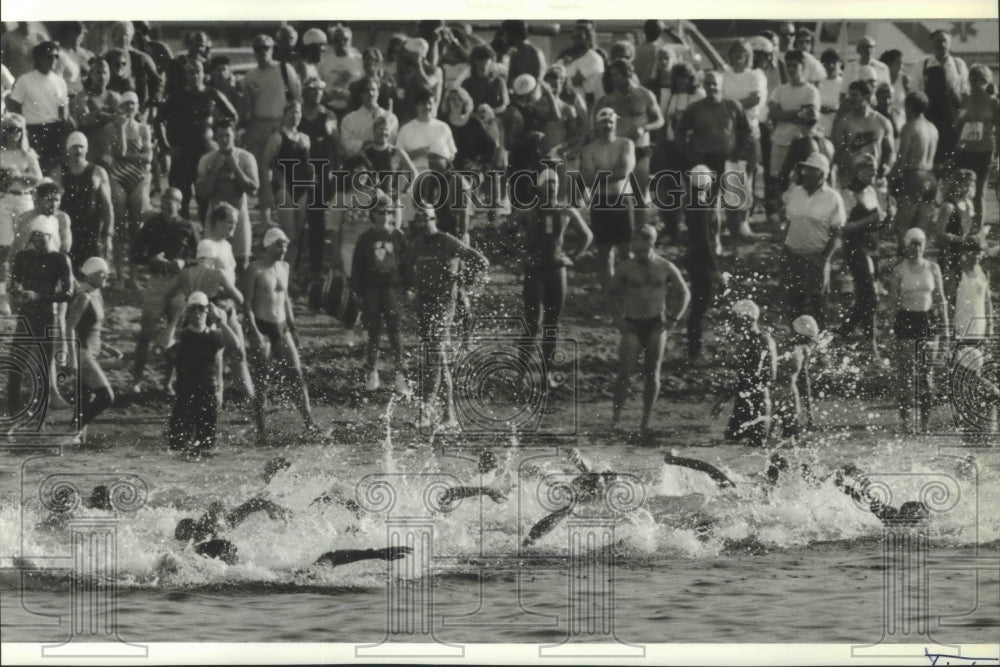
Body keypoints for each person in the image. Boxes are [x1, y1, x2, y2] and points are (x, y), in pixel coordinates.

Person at [404, 206, 489, 428]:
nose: (423, 224)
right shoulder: (418, 243)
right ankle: (449, 415)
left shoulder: (447, 241)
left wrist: (459, 278)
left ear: (434, 218)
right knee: (438, 359)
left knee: (433, 356)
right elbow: (406, 268)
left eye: (427, 218)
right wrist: (410, 289)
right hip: (424, 305)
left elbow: (481, 261)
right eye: (419, 220)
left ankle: (425, 410)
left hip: (444, 306)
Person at [609, 224, 690, 433]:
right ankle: (615, 418)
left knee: (653, 372)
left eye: (637, 240)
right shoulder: (625, 267)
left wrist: (673, 319)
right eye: (632, 239)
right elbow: (610, 294)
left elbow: (684, 293)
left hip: (655, 323)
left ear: (649, 242)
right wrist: (618, 319)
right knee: (624, 372)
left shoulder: (665, 267)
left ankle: (645, 420)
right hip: (632, 323)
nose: (632, 244)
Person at [518, 169, 592, 387]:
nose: (551, 187)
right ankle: (520, 372)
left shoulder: (565, 210)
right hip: (535, 272)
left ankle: (547, 373)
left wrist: (572, 256)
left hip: (557, 271)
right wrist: (522, 256)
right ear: (539, 187)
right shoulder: (529, 210)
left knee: (552, 324)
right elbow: (503, 231)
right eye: (547, 184)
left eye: (554, 184)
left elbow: (587, 235)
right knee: (533, 323)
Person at [244, 227, 318, 434]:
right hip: (262, 326)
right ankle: (261, 430)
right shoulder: (255, 270)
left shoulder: (284, 267)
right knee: (262, 379)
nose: (284, 249)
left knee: (296, 373)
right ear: (269, 245)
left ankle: (309, 423)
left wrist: (293, 328)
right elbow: (247, 304)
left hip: (282, 326)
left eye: (286, 244)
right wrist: (254, 333)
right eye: (280, 244)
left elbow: (285, 298)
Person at [128, 187, 201, 392]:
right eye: (165, 202)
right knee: (146, 333)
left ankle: (167, 382)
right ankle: (136, 380)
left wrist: (183, 261)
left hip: (179, 282)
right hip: (157, 281)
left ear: (180, 204)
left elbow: (201, 257)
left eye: (173, 202)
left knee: (174, 333)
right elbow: (135, 254)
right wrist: (151, 260)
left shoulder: (187, 226)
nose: (168, 205)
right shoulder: (151, 224)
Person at [5, 217, 74, 426]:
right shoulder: (23, 257)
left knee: (45, 363)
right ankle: (13, 408)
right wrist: (16, 289)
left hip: (47, 314)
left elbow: (68, 293)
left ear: (50, 236)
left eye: (41, 237)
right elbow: (13, 282)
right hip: (27, 314)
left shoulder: (60, 259)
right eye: (34, 236)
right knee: (16, 362)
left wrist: (40, 296)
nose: (37, 241)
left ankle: (41, 410)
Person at [676, 70, 758, 242]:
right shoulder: (695, 108)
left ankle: (736, 241)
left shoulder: (733, 106)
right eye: (708, 84)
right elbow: (680, 132)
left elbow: (747, 132)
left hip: (731, 160)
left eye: (715, 83)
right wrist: (691, 155)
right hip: (705, 161)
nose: (712, 87)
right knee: (707, 205)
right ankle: (713, 241)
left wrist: (740, 153)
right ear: (704, 86)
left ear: (721, 85)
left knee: (735, 204)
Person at [160, 57, 237, 220]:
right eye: (190, 72)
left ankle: (206, 239)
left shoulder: (212, 94)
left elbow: (232, 116)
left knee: (206, 201)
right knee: (181, 200)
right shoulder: (176, 96)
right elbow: (158, 121)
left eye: (197, 72)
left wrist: (221, 137)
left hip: (206, 152)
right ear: (185, 75)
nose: (194, 76)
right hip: (182, 154)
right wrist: (166, 147)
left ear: (204, 74)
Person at [887, 227, 948, 431]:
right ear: (907, 246)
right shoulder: (899, 270)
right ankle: (905, 421)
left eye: (920, 244)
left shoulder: (933, 268)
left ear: (924, 246)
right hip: (906, 320)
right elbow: (893, 301)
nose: (917, 248)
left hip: (927, 320)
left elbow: (940, 299)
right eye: (913, 244)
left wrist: (945, 328)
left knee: (925, 374)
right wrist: (889, 327)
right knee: (905, 375)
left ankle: (925, 422)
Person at [166, 291, 239, 458]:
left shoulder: (214, 335)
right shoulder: (182, 335)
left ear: (207, 311)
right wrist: (176, 318)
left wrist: (219, 319)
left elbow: (234, 344)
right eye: (193, 309)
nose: (197, 313)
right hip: (185, 393)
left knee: (206, 447)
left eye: (201, 309)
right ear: (188, 311)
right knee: (177, 446)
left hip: (208, 393)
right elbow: (164, 343)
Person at [351, 190, 410, 395]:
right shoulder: (366, 238)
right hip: (372, 290)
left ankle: (400, 375)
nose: (384, 215)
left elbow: (407, 264)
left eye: (387, 212)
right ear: (373, 214)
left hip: (393, 289)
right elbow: (357, 267)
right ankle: (372, 371)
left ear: (392, 214)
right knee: (374, 333)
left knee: (395, 334)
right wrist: (358, 292)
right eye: (379, 212)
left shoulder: (398, 236)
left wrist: (409, 287)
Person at [781, 152, 845, 328]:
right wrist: (784, 250)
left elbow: (837, 232)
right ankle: (796, 339)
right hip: (793, 254)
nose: (806, 173)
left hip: (816, 256)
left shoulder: (832, 198)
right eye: (805, 169)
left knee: (818, 304)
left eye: (812, 170)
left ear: (822, 174)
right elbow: (789, 223)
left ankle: (820, 345)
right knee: (794, 302)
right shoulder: (796, 192)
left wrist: (825, 259)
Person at [580, 107, 635, 298]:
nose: (607, 126)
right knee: (605, 254)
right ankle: (611, 298)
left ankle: (629, 295)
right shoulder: (588, 149)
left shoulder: (625, 144)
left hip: (621, 200)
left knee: (626, 252)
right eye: (604, 122)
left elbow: (624, 172)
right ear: (597, 124)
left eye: (611, 122)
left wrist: (598, 174)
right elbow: (586, 179)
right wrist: (609, 174)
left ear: (615, 124)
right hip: (600, 202)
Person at [243, 33, 302, 211]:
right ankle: (265, 216)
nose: (262, 52)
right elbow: (247, 107)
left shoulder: (284, 69)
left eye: (265, 48)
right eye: (258, 49)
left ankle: (285, 210)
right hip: (258, 126)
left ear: (272, 49)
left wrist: (291, 125)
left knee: (283, 172)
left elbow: (297, 97)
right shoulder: (250, 76)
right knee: (261, 171)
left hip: (280, 124)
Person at [99, 91, 152, 281]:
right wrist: (121, 131)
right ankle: (121, 275)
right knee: (119, 226)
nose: (129, 108)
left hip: (137, 176)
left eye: (133, 104)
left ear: (137, 107)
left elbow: (148, 157)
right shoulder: (109, 128)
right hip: (118, 175)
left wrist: (124, 157)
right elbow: (113, 153)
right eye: (125, 104)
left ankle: (134, 275)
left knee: (137, 227)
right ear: (119, 108)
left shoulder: (143, 129)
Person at [195, 118, 259, 276]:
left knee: (242, 264)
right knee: (210, 265)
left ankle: (240, 299)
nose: (223, 140)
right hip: (215, 217)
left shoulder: (246, 157)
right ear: (215, 138)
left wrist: (235, 167)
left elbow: (253, 190)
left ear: (234, 135)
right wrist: (214, 171)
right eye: (220, 136)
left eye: (227, 136)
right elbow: (202, 192)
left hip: (239, 217)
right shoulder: (207, 159)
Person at [711, 299, 777, 448]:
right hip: (743, 403)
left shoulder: (763, 341)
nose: (732, 322)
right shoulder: (746, 342)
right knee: (730, 446)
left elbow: (769, 377)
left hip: (757, 403)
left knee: (754, 451)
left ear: (747, 319)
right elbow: (744, 376)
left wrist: (726, 397)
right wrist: (724, 398)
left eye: (735, 318)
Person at [65, 257, 115, 444]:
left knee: (84, 399)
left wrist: (107, 347)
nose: (107, 275)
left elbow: (93, 328)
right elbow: (69, 327)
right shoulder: (83, 296)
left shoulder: (96, 293)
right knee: (106, 396)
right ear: (92, 274)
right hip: (81, 352)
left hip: (91, 351)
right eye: (103, 272)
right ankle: (70, 433)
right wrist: (72, 358)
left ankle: (72, 442)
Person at [836, 153, 883, 355]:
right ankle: (847, 331)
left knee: (868, 296)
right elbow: (843, 227)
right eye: (868, 169)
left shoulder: (871, 190)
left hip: (872, 247)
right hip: (855, 247)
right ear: (858, 170)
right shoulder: (848, 194)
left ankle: (866, 337)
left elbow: (876, 218)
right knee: (869, 297)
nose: (873, 173)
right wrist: (870, 219)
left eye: (874, 169)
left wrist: (881, 219)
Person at [260, 100, 312, 278]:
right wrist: (267, 191)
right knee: (287, 235)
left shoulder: (305, 138)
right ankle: (279, 273)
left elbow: (306, 164)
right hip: (284, 188)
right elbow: (265, 164)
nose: (295, 116)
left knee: (298, 234)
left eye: (298, 113)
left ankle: (290, 274)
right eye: (292, 112)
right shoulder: (277, 137)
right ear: (285, 114)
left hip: (302, 189)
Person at [51, 132, 114, 273]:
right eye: (74, 147)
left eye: (81, 147)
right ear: (68, 150)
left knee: (95, 272)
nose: (78, 151)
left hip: (91, 230)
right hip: (68, 230)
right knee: (67, 272)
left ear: (86, 149)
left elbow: (107, 207)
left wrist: (108, 235)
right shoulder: (58, 173)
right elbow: (52, 204)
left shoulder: (98, 172)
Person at [0, 113, 42, 315]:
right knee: (4, 248)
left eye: (17, 129)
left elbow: (38, 179)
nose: (13, 133)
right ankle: (2, 296)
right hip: (5, 199)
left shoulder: (28, 154)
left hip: (24, 198)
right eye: (9, 128)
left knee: (25, 246)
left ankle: (19, 291)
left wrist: (20, 176)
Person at [767, 50, 821, 207]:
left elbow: (809, 117)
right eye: (788, 66)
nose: (791, 69)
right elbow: (774, 114)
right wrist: (797, 111)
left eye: (794, 65)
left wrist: (786, 113)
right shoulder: (779, 91)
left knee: (802, 180)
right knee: (778, 179)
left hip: (802, 142)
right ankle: (781, 214)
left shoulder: (811, 91)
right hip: (780, 141)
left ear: (802, 66)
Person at [6, 41, 69, 174]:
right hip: (32, 130)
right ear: (39, 57)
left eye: (56, 56)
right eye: (49, 56)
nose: (53, 60)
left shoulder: (60, 82)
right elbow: (14, 105)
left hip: (53, 131)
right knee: (34, 170)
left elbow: (63, 110)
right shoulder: (24, 80)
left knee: (54, 170)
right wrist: (23, 128)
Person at [831, 80, 896, 197]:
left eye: (855, 95)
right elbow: (838, 152)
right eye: (850, 95)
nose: (851, 98)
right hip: (851, 180)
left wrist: (886, 168)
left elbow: (890, 152)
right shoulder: (844, 122)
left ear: (867, 97)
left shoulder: (882, 122)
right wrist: (856, 170)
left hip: (874, 180)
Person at [954, 64, 999, 229]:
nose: (976, 84)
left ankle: (978, 231)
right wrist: (962, 118)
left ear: (987, 82)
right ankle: (962, 228)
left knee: (979, 193)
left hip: (983, 152)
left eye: (981, 81)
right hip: (964, 150)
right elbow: (956, 126)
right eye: (973, 80)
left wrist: (997, 155)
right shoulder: (965, 99)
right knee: (961, 192)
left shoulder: (994, 103)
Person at [916, 29, 969, 165]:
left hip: (953, 119)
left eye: (944, 41)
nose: (942, 44)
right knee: (933, 158)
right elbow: (917, 93)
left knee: (953, 159)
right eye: (938, 41)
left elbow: (965, 92)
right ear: (931, 43)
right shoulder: (923, 65)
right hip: (931, 117)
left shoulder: (958, 65)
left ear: (949, 43)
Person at [891, 92, 939, 243]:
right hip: (930, 177)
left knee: (902, 226)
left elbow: (902, 156)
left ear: (909, 107)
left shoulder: (909, 127)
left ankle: (903, 258)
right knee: (920, 229)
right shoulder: (933, 128)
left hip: (914, 176)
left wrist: (890, 177)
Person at [103, 22, 163, 121]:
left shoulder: (142, 59)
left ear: (131, 37)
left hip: (139, 110)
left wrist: (152, 107)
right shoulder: (106, 58)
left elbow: (157, 82)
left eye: (126, 35)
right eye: (120, 35)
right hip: (113, 111)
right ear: (113, 37)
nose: (123, 39)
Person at [772, 314, 820, 439]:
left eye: (810, 341)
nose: (809, 344)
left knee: (793, 437)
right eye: (806, 340)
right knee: (762, 438)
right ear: (797, 334)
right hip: (771, 394)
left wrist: (810, 415)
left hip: (790, 395)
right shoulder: (775, 345)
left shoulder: (804, 350)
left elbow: (803, 381)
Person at [936, 169, 979, 304]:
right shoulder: (949, 206)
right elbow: (939, 233)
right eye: (964, 185)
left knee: (962, 287)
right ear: (956, 184)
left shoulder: (967, 204)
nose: (967, 189)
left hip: (964, 252)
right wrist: (960, 239)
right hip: (950, 251)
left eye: (970, 185)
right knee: (949, 286)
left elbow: (968, 228)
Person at [68, 57, 120, 160]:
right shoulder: (82, 96)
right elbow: (84, 120)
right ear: (91, 74)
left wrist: (98, 114)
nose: (102, 76)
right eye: (98, 72)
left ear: (109, 75)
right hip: (89, 147)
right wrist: (109, 116)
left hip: (109, 148)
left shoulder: (114, 96)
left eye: (105, 73)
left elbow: (121, 119)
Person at [779, 105, 835, 193]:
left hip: (806, 189)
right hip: (824, 189)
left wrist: (781, 191)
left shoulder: (799, 142)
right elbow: (830, 174)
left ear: (800, 121)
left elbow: (786, 170)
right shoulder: (828, 143)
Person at [340, 75, 399, 158]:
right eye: (366, 91)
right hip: (359, 165)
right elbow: (346, 145)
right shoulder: (349, 120)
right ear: (361, 94)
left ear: (378, 92)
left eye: (373, 90)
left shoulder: (392, 118)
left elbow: (391, 143)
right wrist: (367, 144)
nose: (371, 94)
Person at [442, 86, 496, 175]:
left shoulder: (474, 124)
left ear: (465, 102)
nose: (457, 102)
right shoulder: (442, 124)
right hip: (446, 173)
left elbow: (490, 146)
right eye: (453, 99)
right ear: (447, 102)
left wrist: (478, 164)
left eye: (460, 99)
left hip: (469, 173)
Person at [317, 25, 363, 118]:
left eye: (345, 39)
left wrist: (351, 96)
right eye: (336, 40)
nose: (341, 42)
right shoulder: (324, 61)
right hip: (329, 108)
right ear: (332, 42)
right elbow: (317, 86)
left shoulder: (359, 60)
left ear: (350, 40)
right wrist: (328, 96)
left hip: (352, 108)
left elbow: (364, 85)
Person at [560, 21, 605, 109]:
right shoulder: (570, 57)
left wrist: (561, 77)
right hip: (571, 104)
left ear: (589, 38)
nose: (576, 39)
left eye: (580, 37)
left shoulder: (593, 58)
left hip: (590, 106)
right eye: (574, 36)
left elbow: (575, 81)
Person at [462, 45, 509, 116]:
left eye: (487, 58)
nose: (484, 63)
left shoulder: (499, 82)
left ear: (492, 60)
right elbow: (462, 107)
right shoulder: (467, 83)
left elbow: (504, 106)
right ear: (474, 61)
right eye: (479, 59)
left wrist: (488, 114)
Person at [816, 49, 842, 138]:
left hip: (835, 126)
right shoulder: (817, 83)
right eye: (826, 63)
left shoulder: (843, 84)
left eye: (833, 62)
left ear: (839, 64)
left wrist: (830, 110)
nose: (830, 66)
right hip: (818, 127)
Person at [880, 49, 910, 117]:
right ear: (888, 64)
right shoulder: (880, 80)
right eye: (898, 63)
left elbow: (910, 103)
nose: (901, 66)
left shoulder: (904, 80)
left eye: (902, 63)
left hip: (901, 119)